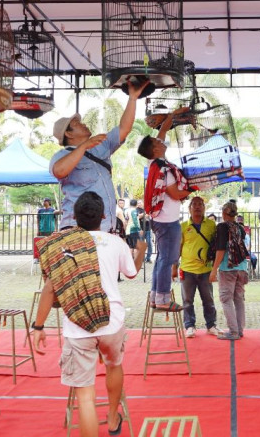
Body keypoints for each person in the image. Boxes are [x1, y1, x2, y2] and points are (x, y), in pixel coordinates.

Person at [32, 191, 146, 437]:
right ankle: (113, 418)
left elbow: (50, 288)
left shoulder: (64, 244)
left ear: (74, 216)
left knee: (85, 397)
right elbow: (132, 273)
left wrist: (38, 327)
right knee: (114, 366)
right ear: (104, 216)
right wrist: (142, 252)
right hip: (112, 323)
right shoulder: (115, 242)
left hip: (77, 326)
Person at [50, 81, 147, 232]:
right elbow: (59, 171)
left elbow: (124, 128)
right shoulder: (61, 156)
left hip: (106, 227)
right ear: (68, 134)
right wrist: (84, 146)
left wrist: (132, 98)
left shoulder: (100, 145)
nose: (83, 124)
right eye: (77, 124)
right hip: (77, 229)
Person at [138, 107, 194, 311]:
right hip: (167, 222)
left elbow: (162, 133)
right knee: (167, 259)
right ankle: (162, 299)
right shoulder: (165, 170)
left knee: (162, 258)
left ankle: (156, 296)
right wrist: (191, 188)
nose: (160, 141)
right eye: (156, 142)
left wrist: (172, 116)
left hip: (159, 220)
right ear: (155, 149)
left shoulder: (154, 162)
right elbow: (176, 195)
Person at [210, 201, 251, 340]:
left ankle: (233, 332)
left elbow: (221, 250)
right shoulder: (239, 228)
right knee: (239, 299)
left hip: (228, 268)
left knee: (226, 299)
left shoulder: (222, 227)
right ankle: (239, 330)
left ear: (223, 213)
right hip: (242, 267)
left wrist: (214, 270)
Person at [179, 196, 219, 337]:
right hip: (187, 269)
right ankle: (190, 326)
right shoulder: (183, 226)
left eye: (200, 204)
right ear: (189, 208)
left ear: (204, 207)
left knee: (208, 299)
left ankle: (211, 325)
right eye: (194, 204)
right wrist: (173, 267)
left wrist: (215, 267)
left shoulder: (211, 225)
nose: (197, 207)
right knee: (187, 300)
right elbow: (178, 247)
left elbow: (216, 247)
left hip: (206, 269)